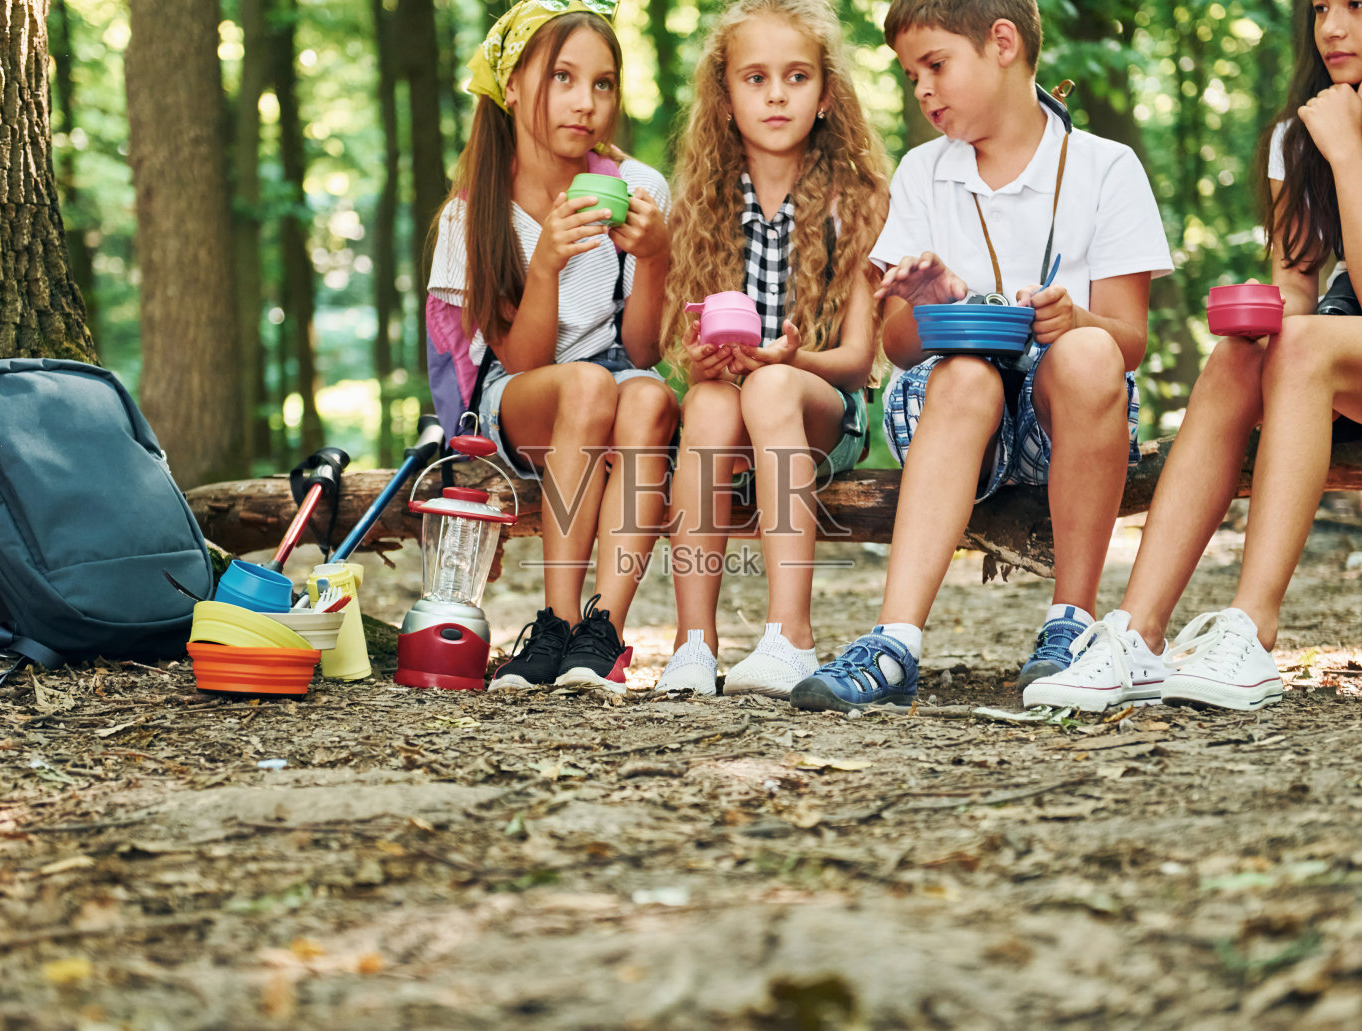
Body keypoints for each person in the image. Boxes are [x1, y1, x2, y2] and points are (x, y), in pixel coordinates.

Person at [1025, 0, 1362, 712]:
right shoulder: (1298, 135)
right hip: (1336, 359)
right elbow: (1297, 289)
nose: (1329, 26)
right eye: (1320, 7)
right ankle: (1138, 636)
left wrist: (1347, 151)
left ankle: (1251, 628)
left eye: (1356, 5)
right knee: (1238, 356)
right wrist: (1260, 322)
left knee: (1304, 343)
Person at [790, 0, 1172, 713]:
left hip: (1070, 416)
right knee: (966, 373)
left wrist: (1076, 318)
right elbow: (898, 346)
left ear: (1002, 43)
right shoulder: (923, 172)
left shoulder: (1104, 168)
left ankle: (1073, 625)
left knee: (1089, 350)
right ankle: (895, 639)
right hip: (950, 411)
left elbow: (1129, 339)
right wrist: (931, 303)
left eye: (935, 65)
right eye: (911, 77)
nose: (923, 89)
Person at [426, 0, 677, 695]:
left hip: (617, 384)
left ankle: (602, 637)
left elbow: (646, 346)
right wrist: (547, 265)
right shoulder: (474, 212)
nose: (586, 102)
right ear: (511, 87)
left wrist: (655, 256)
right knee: (588, 386)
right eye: (562, 77)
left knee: (650, 395)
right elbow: (524, 360)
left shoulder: (638, 188)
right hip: (516, 399)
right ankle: (556, 622)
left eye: (602, 84)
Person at [651, 0, 891, 700]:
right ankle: (694, 644)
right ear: (724, 98)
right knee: (711, 403)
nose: (777, 93)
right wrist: (697, 363)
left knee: (769, 389)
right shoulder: (698, 200)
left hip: (824, 411)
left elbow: (856, 360)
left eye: (796, 76)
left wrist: (788, 361)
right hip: (733, 412)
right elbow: (676, 344)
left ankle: (791, 636)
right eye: (755, 78)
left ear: (826, 94)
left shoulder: (861, 201)